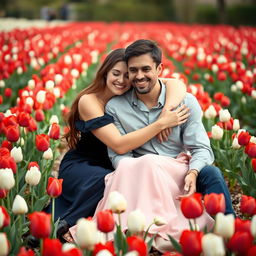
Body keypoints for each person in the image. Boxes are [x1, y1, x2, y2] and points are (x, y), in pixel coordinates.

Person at [70, 40, 235, 251]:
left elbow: (201, 148)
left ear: (159, 69)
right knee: (137, 166)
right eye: (133, 70)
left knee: (211, 173)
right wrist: (141, 167)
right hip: (144, 175)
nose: (139, 76)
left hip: (180, 172)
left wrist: (193, 172)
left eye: (146, 69)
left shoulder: (184, 102)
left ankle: (230, 232)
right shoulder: (116, 107)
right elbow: (119, 155)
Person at [48, 48, 188, 243]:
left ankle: (138, 230)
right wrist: (161, 124)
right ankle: (63, 225)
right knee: (109, 182)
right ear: (105, 72)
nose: (121, 80)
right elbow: (119, 145)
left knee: (131, 182)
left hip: (117, 164)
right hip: (84, 166)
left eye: (126, 75)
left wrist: (167, 110)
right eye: (116, 73)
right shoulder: (90, 101)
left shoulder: (129, 94)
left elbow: (177, 84)